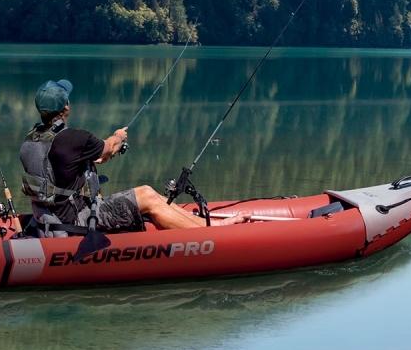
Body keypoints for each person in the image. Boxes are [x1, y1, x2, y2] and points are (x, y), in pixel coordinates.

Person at [19, 79, 247, 237]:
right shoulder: (75, 138)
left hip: (51, 218)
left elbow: (57, 171)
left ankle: (213, 225)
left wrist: (90, 160)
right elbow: (108, 148)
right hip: (77, 220)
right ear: (66, 107)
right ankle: (212, 235)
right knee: (147, 195)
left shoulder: (31, 141)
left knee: (149, 194)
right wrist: (118, 136)